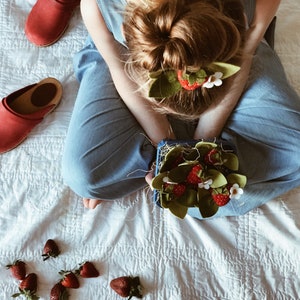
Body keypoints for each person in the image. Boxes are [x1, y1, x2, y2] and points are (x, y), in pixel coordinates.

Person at [62, 0, 300, 219]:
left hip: (237, 49)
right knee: (83, 175)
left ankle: (142, 163)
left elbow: (246, 52)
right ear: (127, 32)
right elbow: (117, 64)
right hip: (118, 51)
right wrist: (166, 147)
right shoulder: (99, 6)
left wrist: (204, 139)